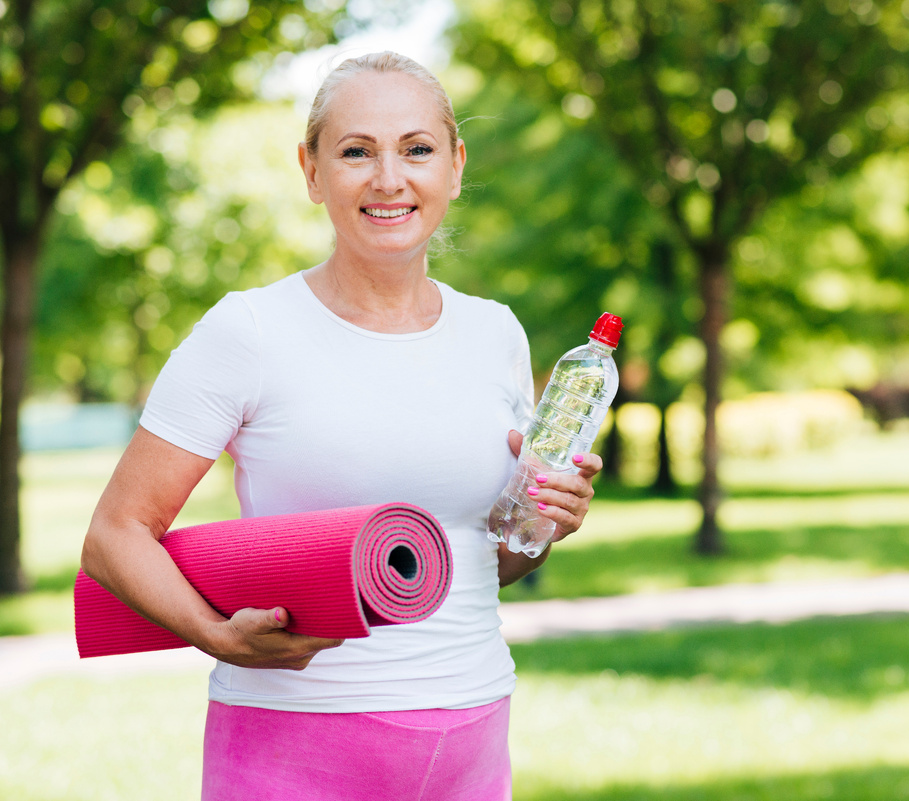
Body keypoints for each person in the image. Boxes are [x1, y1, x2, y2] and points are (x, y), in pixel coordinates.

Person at [80, 51, 602, 801]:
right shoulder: (250, 331)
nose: (389, 179)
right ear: (312, 170)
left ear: (454, 166)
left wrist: (547, 523)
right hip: (293, 740)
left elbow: (482, 562)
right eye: (356, 151)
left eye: (416, 150)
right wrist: (217, 634)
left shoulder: (497, 334)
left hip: (473, 731)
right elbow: (114, 534)